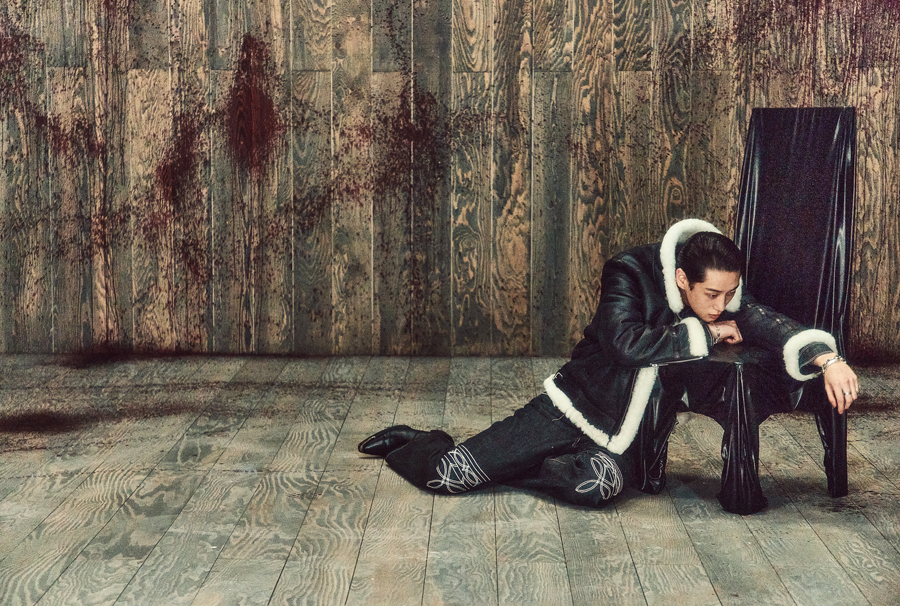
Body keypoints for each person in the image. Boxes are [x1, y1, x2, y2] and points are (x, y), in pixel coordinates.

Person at [358, 219, 859, 513]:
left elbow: (766, 321)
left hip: (623, 435)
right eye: (711, 295)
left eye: (729, 295)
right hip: (577, 406)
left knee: (599, 486)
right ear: (681, 279)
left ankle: (520, 465)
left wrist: (828, 358)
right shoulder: (628, 272)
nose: (722, 305)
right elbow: (624, 343)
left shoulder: (721, 289)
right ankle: (418, 441)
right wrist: (705, 334)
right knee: (451, 476)